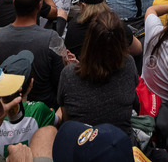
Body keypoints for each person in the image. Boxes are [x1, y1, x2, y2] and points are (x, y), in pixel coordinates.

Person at [0, 0, 70, 109]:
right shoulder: (51, 38)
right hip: (45, 111)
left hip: (6, 109)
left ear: (14, 3)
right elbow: (61, 82)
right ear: (40, 6)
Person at [58, 12, 139, 141]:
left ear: (89, 41)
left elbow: (67, 119)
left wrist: (74, 69)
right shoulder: (128, 63)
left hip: (83, 147)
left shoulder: (68, 75)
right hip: (122, 145)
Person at [63, 0, 141, 57]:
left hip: (82, 69)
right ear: (104, 2)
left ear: (83, 5)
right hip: (113, 68)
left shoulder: (73, 26)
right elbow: (138, 49)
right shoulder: (116, 24)